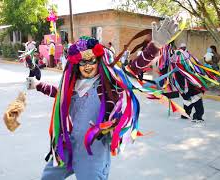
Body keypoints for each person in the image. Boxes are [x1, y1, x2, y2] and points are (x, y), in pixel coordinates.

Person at [26, 18, 179, 180]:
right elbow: (59, 94)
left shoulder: (108, 84)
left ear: (98, 60)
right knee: (48, 177)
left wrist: (154, 47)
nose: (87, 66)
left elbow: (133, 69)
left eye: (91, 60)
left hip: (93, 152)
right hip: (68, 146)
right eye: (82, 62)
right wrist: (38, 84)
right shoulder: (72, 83)